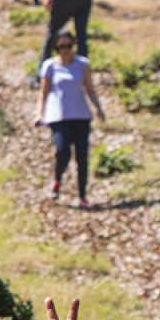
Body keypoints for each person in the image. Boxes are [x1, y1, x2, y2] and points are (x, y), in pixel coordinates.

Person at [37, 30, 105, 209]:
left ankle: (82, 196)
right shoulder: (49, 66)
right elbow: (43, 93)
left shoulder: (82, 64)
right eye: (61, 46)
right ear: (56, 48)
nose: (65, 50)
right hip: (58, 116)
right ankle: (57, 180)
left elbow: (90, 89)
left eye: (68, 45)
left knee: (82, 157)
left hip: (81, 115)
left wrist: (98, 108)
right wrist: (40, 113)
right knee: (63, 151)